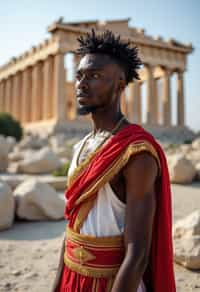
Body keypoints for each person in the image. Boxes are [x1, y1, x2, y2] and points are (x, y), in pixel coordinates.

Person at [53, 30, 176, 292]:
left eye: (95, 76)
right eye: (80, 75)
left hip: (113, 283)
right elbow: (71, 226)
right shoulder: (82, 145)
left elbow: (138, 255)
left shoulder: (136, 153)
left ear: (120, 85)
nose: (82, 84)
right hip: (73, 278)